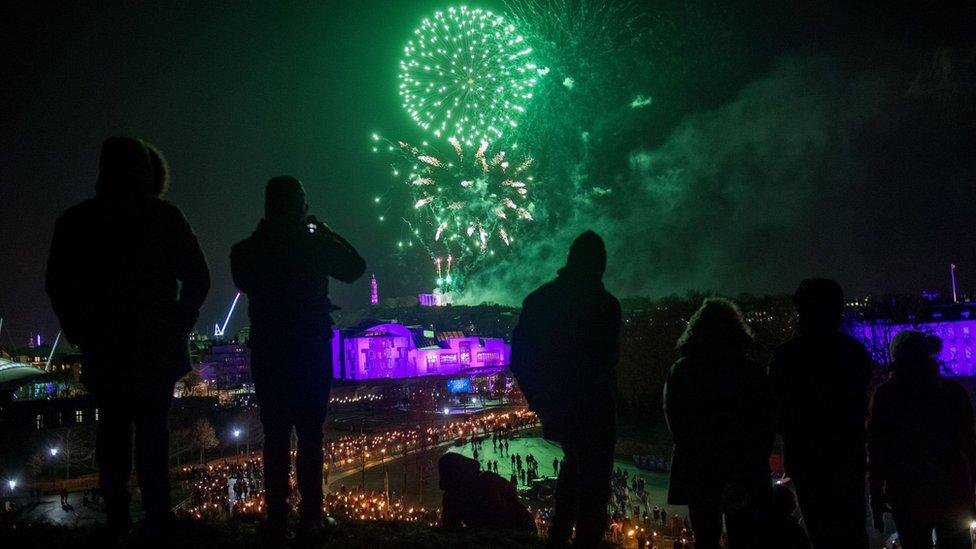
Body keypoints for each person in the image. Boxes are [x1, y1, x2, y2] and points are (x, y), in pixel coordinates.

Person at [46, 138, 210, 537]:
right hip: (156, 345)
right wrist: (178, 323)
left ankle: (116, 516)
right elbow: (198, 278)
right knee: (154, 432)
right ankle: (158, 515)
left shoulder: (78, 220)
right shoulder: (165, 217)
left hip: (105, 346)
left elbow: (57, 284)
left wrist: (80, 332)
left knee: (112, 432)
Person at [231, 176, 365, 540]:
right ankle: (311, 516)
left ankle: (276, 516)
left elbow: (245, 279)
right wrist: (324, 229)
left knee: (275, 435)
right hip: (310, 350)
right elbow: (355, 267)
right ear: (301, 205)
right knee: (310, 435)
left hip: (270, 351)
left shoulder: (245, 251)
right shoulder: (314, 245)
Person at [510, 230, 622, 549]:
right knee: (594, 484)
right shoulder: (606, 305)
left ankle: (558, 537)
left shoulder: (540, 300)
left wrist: (543, 402)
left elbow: (520, 359)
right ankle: (582, 539)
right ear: (600, 265)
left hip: (562, 405)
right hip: (596, 405)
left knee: (573, 469)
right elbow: (609, 360)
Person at [663, 298, 775, 549]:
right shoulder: (751, 372)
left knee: (706, 538)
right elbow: (764, 425)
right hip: (743, 467)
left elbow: (677, 423)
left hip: (700, 467)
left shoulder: (682, 370)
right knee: (744, 537)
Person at [769, 279, 872, 548]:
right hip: (847, 456)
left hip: (807, 458)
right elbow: (859, 406)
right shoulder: (854, 352)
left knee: (821, 533)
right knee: (853, 532)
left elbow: (777, 413)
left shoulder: (785, 356)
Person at [868, 331, 976, 549]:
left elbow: (878, 451)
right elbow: (971, 445)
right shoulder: (952, 392)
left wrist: (876, 498)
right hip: (952, 490)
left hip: (907, 494)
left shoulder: (886, 396)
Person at [439, 452, 536, 532]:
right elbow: (511, 493)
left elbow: (450, 527)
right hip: (515, 525)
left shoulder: (452, 496)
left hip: (515, 526)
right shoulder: (486, 479)